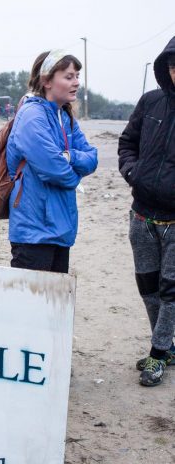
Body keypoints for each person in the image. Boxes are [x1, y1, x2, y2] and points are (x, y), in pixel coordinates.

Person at [6, 50, 98, 273]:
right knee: (30, 304)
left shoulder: (65, 116)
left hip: (61, 228)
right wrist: (75, 175)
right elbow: (55, 171)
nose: (76, 82)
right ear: (47, 80)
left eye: (77, 76)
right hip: (34, 231)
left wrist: (69, 157)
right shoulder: (32, 116)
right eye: (68, 77)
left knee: (55, 305)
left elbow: (92, 158)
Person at [118, 36, 175, 387]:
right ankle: (167, 345)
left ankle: (157, 355)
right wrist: (131, 172)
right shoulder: (150, 102)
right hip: (141, 216)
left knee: (171, 290)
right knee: (148, 287)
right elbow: (126, 142)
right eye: (172, 64)